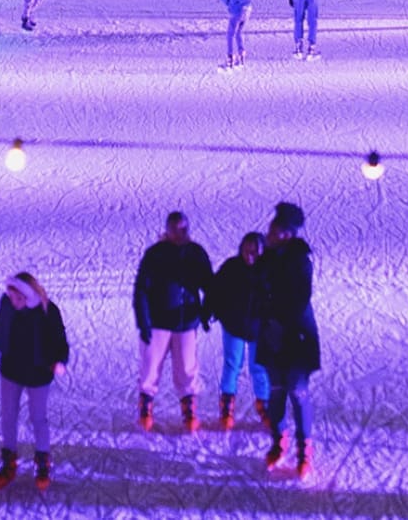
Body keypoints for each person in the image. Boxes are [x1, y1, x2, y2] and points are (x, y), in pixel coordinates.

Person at [0, 271, 69, 492]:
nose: (13, 302)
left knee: (38, 417)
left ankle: (42, 461)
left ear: (28, 296)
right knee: (8, 415)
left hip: (38, 373)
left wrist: (60, 360)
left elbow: (60, 339)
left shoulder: (47, 311)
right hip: (11, 369)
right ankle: (8, 459)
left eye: (18, 298)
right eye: (11, 296)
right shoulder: (7, 304)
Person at [133, 211, 213, 433]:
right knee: (150, 365)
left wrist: (206, 312)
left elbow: (209, 285)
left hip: (186, 321)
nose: (181, 233)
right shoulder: (155, 254)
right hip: (158, 322)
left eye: (184, 228)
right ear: (167, 231)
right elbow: (141, 289)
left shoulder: (196, 253)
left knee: (187, 367)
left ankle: (189, 407)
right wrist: (143, 321)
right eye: (176, 229)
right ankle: (146, 405)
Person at [257, 201, 320, 481]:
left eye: (276, 227)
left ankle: (304, 449)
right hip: (271, 333)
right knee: (277, 390)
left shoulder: (299, 259)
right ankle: (277, 441)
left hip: (296, 335)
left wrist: (280, 324)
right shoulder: (266, 257)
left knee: (297, 390)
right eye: (272, 226)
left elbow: (300, 297)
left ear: (288, 233)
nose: (269, 231)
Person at [207, 231, 269, 429]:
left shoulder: (270, 271)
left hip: (259, 328)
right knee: (232, 365)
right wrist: (208, 311)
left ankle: (264, 404)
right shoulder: (231, 267)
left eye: (255, 252)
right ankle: (227, 404)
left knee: (259, 368)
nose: (250, 255)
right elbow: (215, 290)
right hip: (234, 325)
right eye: (247, 250)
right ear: (241, 249)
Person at [210, 0, 252, 69]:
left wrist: (229, 3)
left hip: (237, 10)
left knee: (230, 35)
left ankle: (229, 60)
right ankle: (241, 57)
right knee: (239, 33)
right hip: (247, 8)